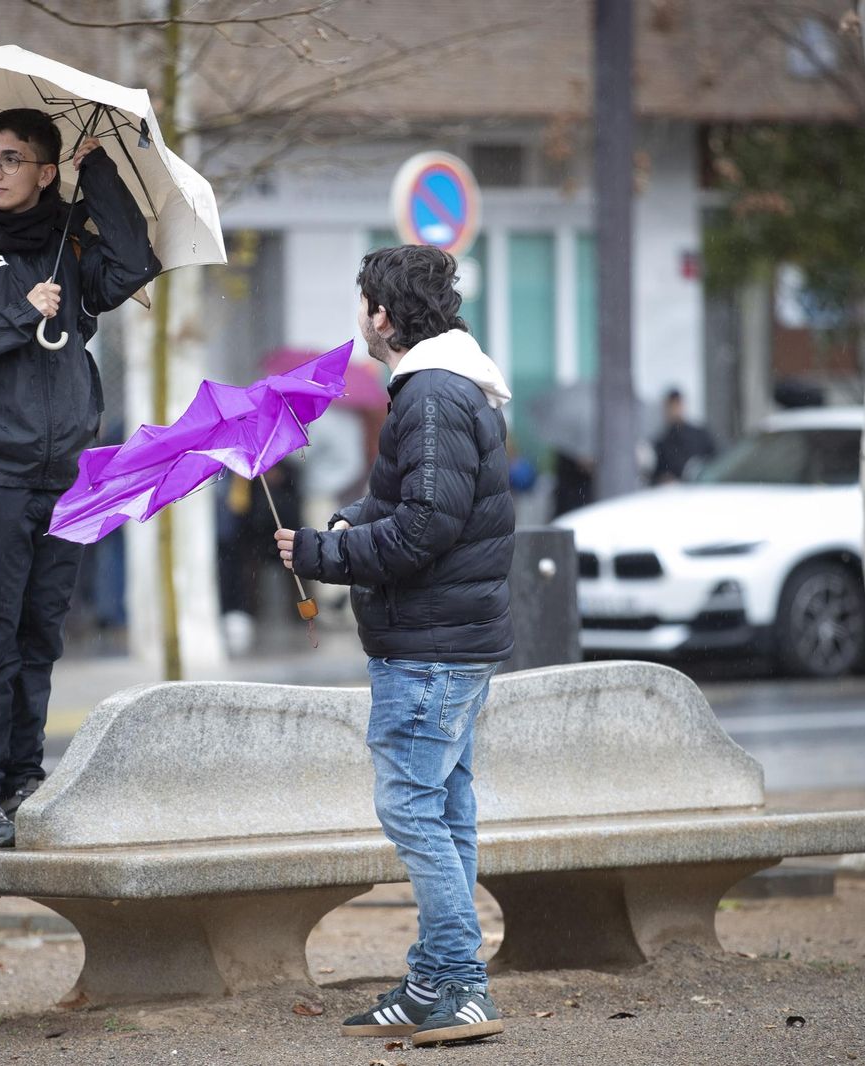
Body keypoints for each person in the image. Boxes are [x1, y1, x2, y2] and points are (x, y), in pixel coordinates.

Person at [275, 245, 514, 1048]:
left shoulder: (435, 397)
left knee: (411, 807)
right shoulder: (437, 390)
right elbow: (395, 499)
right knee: (444, 810)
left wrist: (324, 557)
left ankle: (461, 984)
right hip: (444, 639)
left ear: (383, 314)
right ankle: (433, 982)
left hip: (433, 645)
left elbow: (425, 528)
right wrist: (337, 527)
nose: (360, 317)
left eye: (363, 303)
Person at [0, 107, 160, 848]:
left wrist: (104, 178)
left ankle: (23, 778)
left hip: (64, 479)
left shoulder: (72, 250)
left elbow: (134, 269)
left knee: (38, 635)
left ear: (46, 171)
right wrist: (19, 315)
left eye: (10, 159)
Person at [650, 387, 717, 485]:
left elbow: (716, 460)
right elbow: (657, 474)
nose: (674, 410)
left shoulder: (700, 434)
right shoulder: (661, 442)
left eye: (676, 405)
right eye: (671, 406)